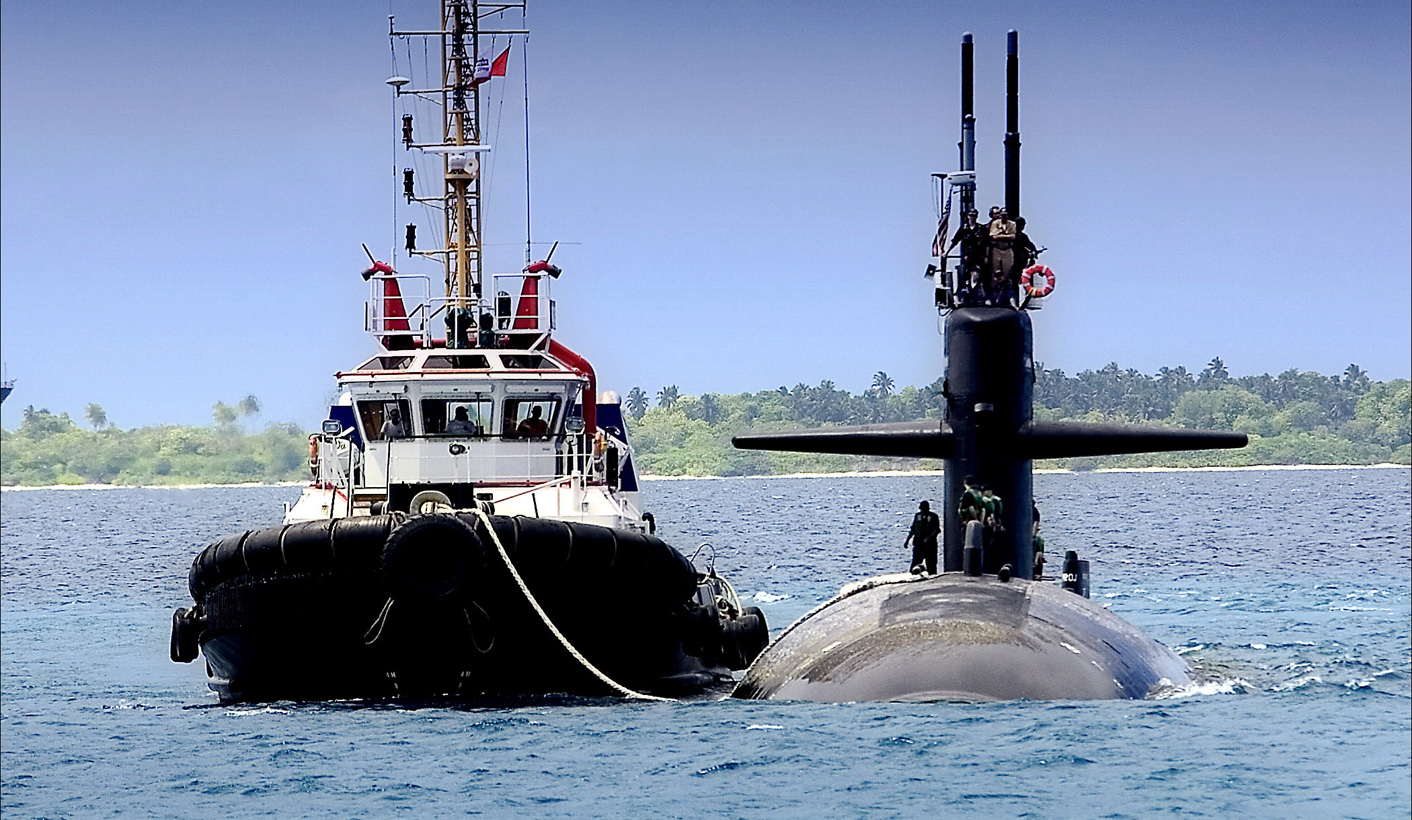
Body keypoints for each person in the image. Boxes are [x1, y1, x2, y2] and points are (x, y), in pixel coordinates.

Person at [946, 209, 989, 305]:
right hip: (968, 257)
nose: (972, 217)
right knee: (965, 277)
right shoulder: (964, 228)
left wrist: (986, 256)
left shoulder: (981, 228)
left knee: (981, 276)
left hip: (979, 257)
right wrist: (947, 252)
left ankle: (983, 298)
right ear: (968, 216)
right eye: (971, 215)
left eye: (974, 215)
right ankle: (961, 297)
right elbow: (955, 240)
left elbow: (986, 243)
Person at [985, 207, 1016, 306]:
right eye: (1001, 215)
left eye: (1005, 215)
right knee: (995, 274)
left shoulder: (1012, 224)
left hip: (1007, 250)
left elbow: (1013, 237)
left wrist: (1000, 235)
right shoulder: (994, 224)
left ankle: (1006, 298)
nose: (1003, 216)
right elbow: (993, 236)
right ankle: (993, 297)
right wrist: (1007, 236)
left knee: (1006, 274)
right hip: (997, 249)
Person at [904, 500, 941, 575]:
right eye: (922, 509)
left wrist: (929, 538)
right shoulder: (917, 516)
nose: (923, 511)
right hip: (918, 544)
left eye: (924, 509)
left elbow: (937, 530)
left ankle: (932, 577)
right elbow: (913, 529)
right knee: (915, 563)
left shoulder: (934, 517)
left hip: (930, 545)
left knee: (931, 565)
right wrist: (907, 541)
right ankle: (914, 575)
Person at [1012, 216, 1038, 307]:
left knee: (1022, 281)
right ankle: (1014, 300)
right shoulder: (1012, 235)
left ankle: (1022, 300)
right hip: (1013, 263)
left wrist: (1034, 251)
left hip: (1022, 262)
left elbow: (1030, 245)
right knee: (1014, 282)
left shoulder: (1023, 236)